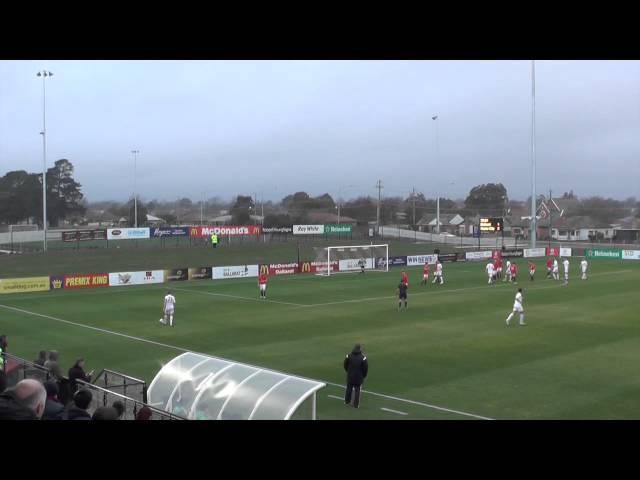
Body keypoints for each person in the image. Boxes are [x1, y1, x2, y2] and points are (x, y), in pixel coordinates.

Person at [343, 344, 368, 409]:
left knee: (349, 388)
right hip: (359, 377)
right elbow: (365, 368)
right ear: (360, 349)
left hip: (350, 375)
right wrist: (364, 375)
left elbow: (345, 364)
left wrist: (348, 371)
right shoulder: (363, 358)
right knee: (357, 390)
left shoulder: (349, 355)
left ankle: (346, 401)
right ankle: (356, 405)